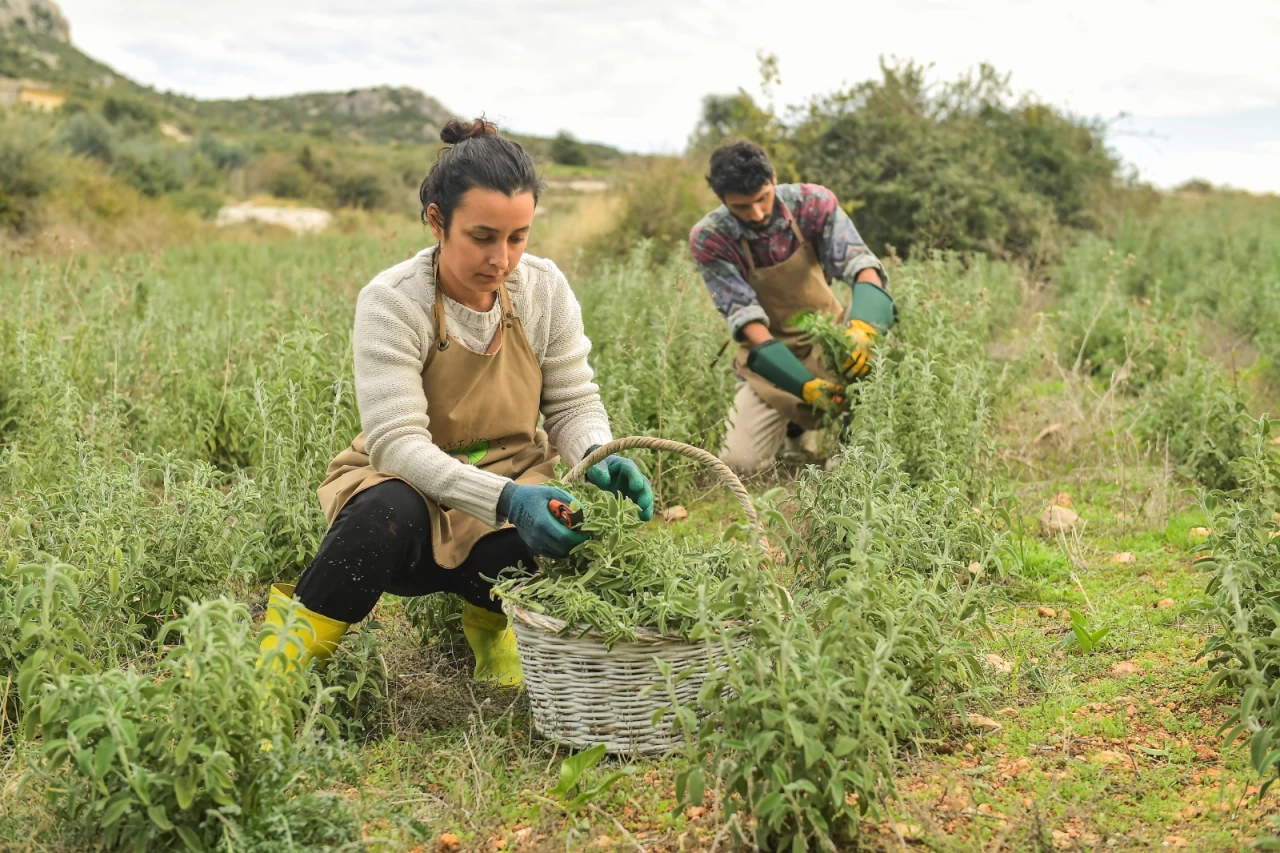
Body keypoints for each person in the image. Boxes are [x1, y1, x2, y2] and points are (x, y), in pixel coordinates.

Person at [259, 118, 655, 687]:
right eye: (483, 236)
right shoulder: (394, 301)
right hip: (413, 489)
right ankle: (278, 676)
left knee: (558, 527)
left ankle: (494, 637)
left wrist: (596, 455)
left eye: (518, 237)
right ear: (436, 222)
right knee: (379, 516)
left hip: (511, 480)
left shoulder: (543, 290)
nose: (502, 259)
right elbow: (396, 444)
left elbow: (571, 403)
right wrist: (509, 499)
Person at [689, 140, 896, 475]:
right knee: (740, 464)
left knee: (879, 353)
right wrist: (802, 385)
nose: (756, 213)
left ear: (773, 177)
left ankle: (851, 444)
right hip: (768, 357)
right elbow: (744, 317)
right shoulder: (711, 237)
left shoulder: (812, 203)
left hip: (828, 337)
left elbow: (862, 266)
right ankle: (794, 427)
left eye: (762, 198)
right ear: (722, 200)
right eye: (742, 206)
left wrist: (864, 330)